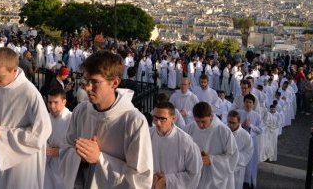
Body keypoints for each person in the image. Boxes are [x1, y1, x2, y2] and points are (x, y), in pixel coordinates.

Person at [60, 50, 153, 188]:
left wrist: (99, 158)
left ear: (114, 83)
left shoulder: (134, 121)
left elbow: (141, 179)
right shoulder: (81, 111)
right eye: (86, 80)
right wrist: (80, 158)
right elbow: (65, 150)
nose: (87, 87)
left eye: (95, 82)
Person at [0, 47, 52, 189]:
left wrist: (3, 133)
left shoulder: (30, 93)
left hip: (23, 161)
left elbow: (40, 134)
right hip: (0, 151)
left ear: (14, 70)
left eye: (0, 76)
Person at [185, 101, 239, 188]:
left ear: (211, 116)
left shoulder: (223, 130)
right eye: (197, 121)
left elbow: (232, 156)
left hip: (215, 178)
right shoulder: (190, 128)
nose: (200, 125)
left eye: (203, 121)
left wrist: (212, 160)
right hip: (196, 175)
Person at [149, 101, 201, 189]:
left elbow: (194, 173)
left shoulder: (186, 141)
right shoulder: (148, 134)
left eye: (162, 119)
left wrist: (167, 180)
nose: (157, 123)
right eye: (155, 118)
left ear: (173, 119)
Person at [44, 87, 72, 189]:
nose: (52, 106)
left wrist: (60, 152)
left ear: (64, 102)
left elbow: (77, 147)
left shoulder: (72, 119)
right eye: (49, 102)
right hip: (48, 167)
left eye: (56, 102)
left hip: (65, 170)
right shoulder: (45, 117)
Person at [237, 94, 263, 189]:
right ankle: (241, 181)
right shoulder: (239, 113)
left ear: (253, 104)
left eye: (250, 102)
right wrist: (241, 124)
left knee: (251, 162)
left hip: (252, 142)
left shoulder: (257, 115)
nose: (248, 104)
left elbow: (260, 130)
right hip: (241, 141)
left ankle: (250, 181)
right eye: (246, 102)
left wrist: (251, 126)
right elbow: (233, 125)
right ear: (244, 103)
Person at [227, 110, 254, 189]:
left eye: (233, 123)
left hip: (237, 169)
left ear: (239, 122)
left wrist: (234, 158)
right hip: (223, 167)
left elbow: (248, 153)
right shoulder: (223, 131)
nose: (230, 125)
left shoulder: (246, 136)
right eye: (229, 122)